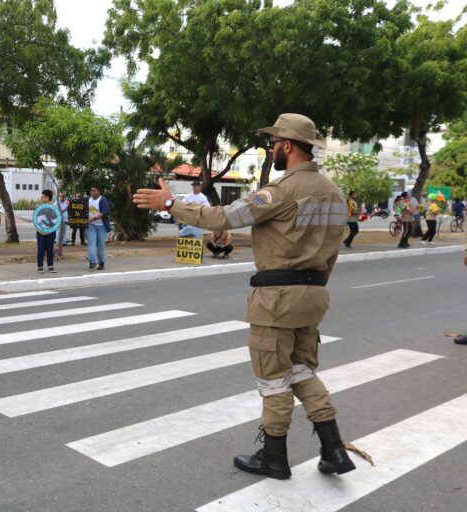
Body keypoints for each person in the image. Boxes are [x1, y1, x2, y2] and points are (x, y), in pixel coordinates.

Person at [133, 113, 355, 480]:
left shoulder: (282, 190)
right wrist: (312, 286)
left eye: (273, 143)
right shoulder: (334, 194)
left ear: (287, 145)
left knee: (275, 379)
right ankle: (333, 449)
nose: (270, 150)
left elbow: (224, 218)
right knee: (302, 371)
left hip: (276, 299)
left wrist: (170, 204)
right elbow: (332, 251)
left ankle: (273, 457)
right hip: (314, 294)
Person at [87, 185, 111, 271]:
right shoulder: (88, 200)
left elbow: (103, 213)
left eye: (94, 190)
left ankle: (101, 263)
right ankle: (92, 262)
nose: (92, 192)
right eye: (91, 190)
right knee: (91, 243)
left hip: (101, 226)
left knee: (101, 245)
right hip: (91, 226)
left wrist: (92, 219)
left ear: (98, 192)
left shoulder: (102, 200)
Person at [36, 189, 57, 273]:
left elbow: (56, 220)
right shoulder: (38, 208)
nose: (41, 198)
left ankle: (50, 265)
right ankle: (40, 266)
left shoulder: (54, 208)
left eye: (43, 196)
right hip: (40, 231)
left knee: (50, 248)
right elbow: (35, 220)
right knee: (41, 248)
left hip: (51, 232)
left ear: (47, 198)